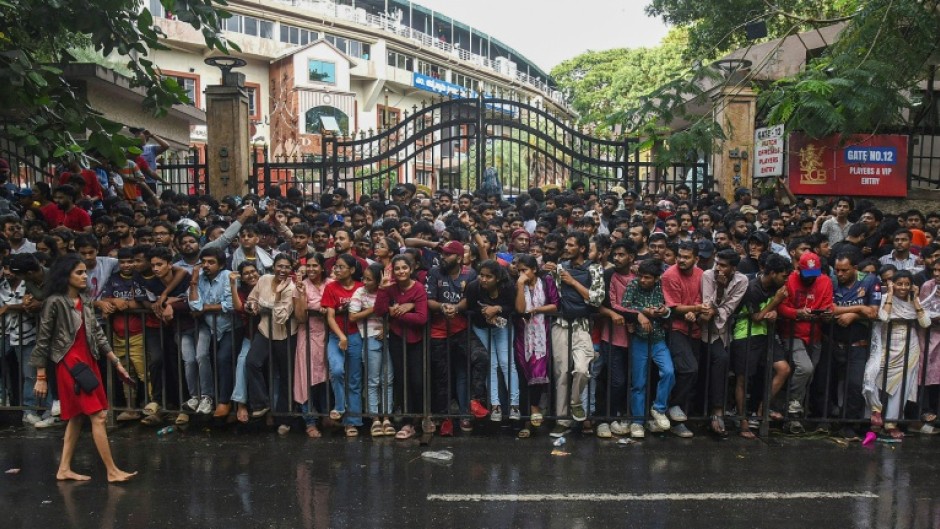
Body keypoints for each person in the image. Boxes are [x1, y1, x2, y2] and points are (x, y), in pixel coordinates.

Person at [31, 254, 137, 482]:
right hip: (70, 363)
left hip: (87, 360)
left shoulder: (84, 299)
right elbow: (43, 339)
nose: (84, 276)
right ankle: (111, 471)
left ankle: (64, 469)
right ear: (65, 275)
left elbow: (97, 334)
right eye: (78, 272)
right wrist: (41, 375)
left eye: (84, 272)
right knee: (97, 416)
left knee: (77, 418)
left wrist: (115, 362)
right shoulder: (55, 302)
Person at [731, 253, 792, 439]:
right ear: (772, 273)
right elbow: (756, 317)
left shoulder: (776, 286)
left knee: (784, 369)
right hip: (746, 334)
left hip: (766, 334)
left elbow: (768, 313)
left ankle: (761, 410)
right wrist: (775, 303)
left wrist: (774, 311)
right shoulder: (752, 288)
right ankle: (743, 421)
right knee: (743, 379)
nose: (786, 279)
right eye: (783, 275)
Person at [864, 270, 930, 440]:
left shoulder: (913, 300)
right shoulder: (886, 298)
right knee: (873, 376)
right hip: (886, 344)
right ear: (893, 283)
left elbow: (925, 322)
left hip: (909, 346)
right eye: (899, 283)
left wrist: (915, 299)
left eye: (906, 284)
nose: (903, 287)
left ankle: (891, 423)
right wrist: (890, 293)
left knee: (901, 386)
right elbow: (884, 317)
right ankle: (875, 415)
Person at [373, 254, 429, 440]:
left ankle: (420, 418)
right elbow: (380, 311)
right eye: (397, 269)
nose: (401, 272)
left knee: (418, 381)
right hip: (397, 339)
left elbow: (421, 318)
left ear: (411, 269)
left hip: (417, 340)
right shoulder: (391, 289)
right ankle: (407, 422)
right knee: (402, 381)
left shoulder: (418, 288)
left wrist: (398, 311)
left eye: (404, 268)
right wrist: (382, 288)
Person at [622, 258, 676, 438]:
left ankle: (658, 408)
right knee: (639, 383)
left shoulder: (662, 286)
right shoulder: (633, 285)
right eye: (641, 276)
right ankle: (637, 421)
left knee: (668, 372)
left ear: (656, 278)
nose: (643, 280)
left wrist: (663, 311)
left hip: (658, 338)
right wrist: (644, 311)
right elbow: (625, 306)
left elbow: (669, 308)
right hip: (639, 338)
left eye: (647, 277)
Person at [700, 248, 748, 437]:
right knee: (699, 370)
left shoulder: (741, 280)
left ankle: (717, 411)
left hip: (720, 332)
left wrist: (719, 294)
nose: (718, 268)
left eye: (723, 266)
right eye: (717, 263)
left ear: (734, 268)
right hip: (701, 330)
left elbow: (727, 309)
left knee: (721, 361)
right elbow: (706, 305)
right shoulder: (707, 275)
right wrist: (717, 291)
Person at [244, 253, 297, 424]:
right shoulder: (264, 279)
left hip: (285, 334)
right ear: (273, 266)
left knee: (285, 376)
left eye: (287, 267)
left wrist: (273, 300)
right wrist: (252, 305)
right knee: (252, 362)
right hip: (265, 330)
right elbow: (251, 299)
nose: (283, 269)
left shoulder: (291, 287)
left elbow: (281, 316)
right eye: (280, 266)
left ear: (291, 269)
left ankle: (283, 418)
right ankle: (261, 403)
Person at [513, 253, 559, 438]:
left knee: (538, 376)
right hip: (522, 336)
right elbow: (519, 309)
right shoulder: (518, 284)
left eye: (524, 270)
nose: (521, 273)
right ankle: (526, 419)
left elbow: (555, 305)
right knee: (523, 375)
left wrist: (537, 310)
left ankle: (535, 408)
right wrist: (520, 284)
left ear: (534, 270)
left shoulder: (547, 282)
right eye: (519, 271)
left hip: (541, 335)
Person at [466, 259, 517, 421]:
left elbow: (512, 307)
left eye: (489, 276)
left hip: (502, 327)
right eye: (481, 275)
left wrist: (497, 309)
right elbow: (469, 308)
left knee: (507, 362)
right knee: (491, 363)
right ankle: (495, 405)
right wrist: (484, 312)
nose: (484, 279)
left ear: (497, 278)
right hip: (481, 328)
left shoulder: (508, 287)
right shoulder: (473, 287)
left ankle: (514, 404)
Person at [349, 262, 394, 437]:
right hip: (369, 336)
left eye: (369, 279)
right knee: (373, 380)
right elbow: (353, 316)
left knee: (388, 380)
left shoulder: (388, 291)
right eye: (364, 278)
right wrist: (373, 309)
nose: (365, 281)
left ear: (378, 281)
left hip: (388, 337)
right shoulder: (360, 292)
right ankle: (375, 418)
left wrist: (387, 327)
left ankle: (387, 417)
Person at [322, 253, 365, 437]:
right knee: (337, 370)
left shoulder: (361, 287)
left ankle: (352, 421)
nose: (336, 270)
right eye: (335, 267)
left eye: (341, 267)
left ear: (352, 270)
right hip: (336, 336)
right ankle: (339, 406)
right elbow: (330, 316)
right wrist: (341, 336)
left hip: (356, 335)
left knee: (354, 380)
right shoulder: (331, 287)